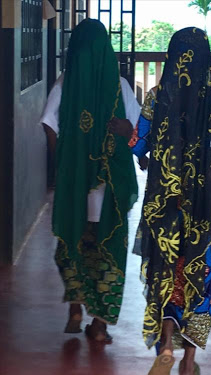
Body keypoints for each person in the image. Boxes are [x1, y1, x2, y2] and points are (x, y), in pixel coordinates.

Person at [133, 27, 211, 375]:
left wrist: (148, 158)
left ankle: (165, 346)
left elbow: (139, 145)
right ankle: (187, 364)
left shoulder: (156, 96)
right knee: (201, 273)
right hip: (206, 202)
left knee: (166, 272)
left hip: (164, 200)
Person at [40, 19, 140, 342]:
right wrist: (126, 133)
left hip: (75, 189)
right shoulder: (121, 86)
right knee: (108, 253)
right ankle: (99, 324)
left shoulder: (65, 82)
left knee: (72, 245)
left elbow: (48, 124)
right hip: (109, 193)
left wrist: (64, 164)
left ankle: (75, 309)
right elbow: (137, 131)